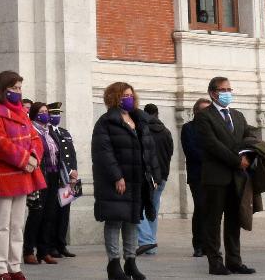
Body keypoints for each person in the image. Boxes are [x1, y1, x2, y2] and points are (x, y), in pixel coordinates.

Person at [0, 71, 43, 280]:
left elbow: (35, 138)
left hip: (23, 174)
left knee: (17, 224)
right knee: (2, 225)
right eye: (13, 88)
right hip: (4, 175)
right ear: (2, 89)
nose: (18, 92)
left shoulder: (23, 113)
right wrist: (26, 160)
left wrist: (34, 156)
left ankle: (15, 266)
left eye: (19, 88)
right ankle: (1, 269)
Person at [91, 82, 158, 280]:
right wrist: (116, 176)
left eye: (130, 95)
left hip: (138, 180)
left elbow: (149, 150)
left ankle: (130, 261)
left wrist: (154, 175)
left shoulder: (139, 120)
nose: (128, 98)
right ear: (113, 98)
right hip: (117, 180)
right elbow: (103, 152)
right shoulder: (106, 122)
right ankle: (113, 263)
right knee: (114, 221)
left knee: (132, 221)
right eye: (123, 96)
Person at [192, 76, 256, 276]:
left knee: (234, 220)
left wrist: (247, 154)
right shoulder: (204, 116)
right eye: (223, 89)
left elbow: (249, 136)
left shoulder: (237, 115)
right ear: (213, 93)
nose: (228, 93)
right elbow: (212, 144)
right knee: (213, 220)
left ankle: (234, 261)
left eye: (230, 89)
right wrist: (238, 160)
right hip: (215, 177)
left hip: (237, 177)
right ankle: (215, 262)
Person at [22, 101, 61, 266]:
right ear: (35, 114)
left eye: (47, 111)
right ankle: (29, 251)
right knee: (36, 214)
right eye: (42, 111)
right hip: (39, 176)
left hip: (53, 176)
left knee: (49, 214)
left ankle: (44, 251)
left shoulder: (50, 132)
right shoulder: (31, 130)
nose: (46, 114)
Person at [135, 104, 173, 256]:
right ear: (157, 114)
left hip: (146, 176)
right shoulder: (167, 132)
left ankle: (147, 241)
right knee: (153, 210)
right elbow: (170, 154)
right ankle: (151, 245)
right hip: (162, 176)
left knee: (139, 209)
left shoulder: (142, 131)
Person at [180, 98, 212, 258]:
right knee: (201, 208)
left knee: (213, 210)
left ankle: (211, 244)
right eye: (204, 111)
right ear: (196, 112)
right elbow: (191, 151)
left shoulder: (214, 128)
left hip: (214, 175)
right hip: (197, 175)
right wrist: (212, 157)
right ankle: (198, 244)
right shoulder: (188, 128)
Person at [47, 105, 78, 259]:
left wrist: (74, 171)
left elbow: (71, 154)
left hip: (67, 180)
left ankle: (61, 244)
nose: (56, 116)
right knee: (54, 212)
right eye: (53, 114)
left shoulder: (64, 132)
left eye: (58, 114)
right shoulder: (48, 132)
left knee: (65, 212)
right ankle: (51, 246)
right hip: (56, 178)